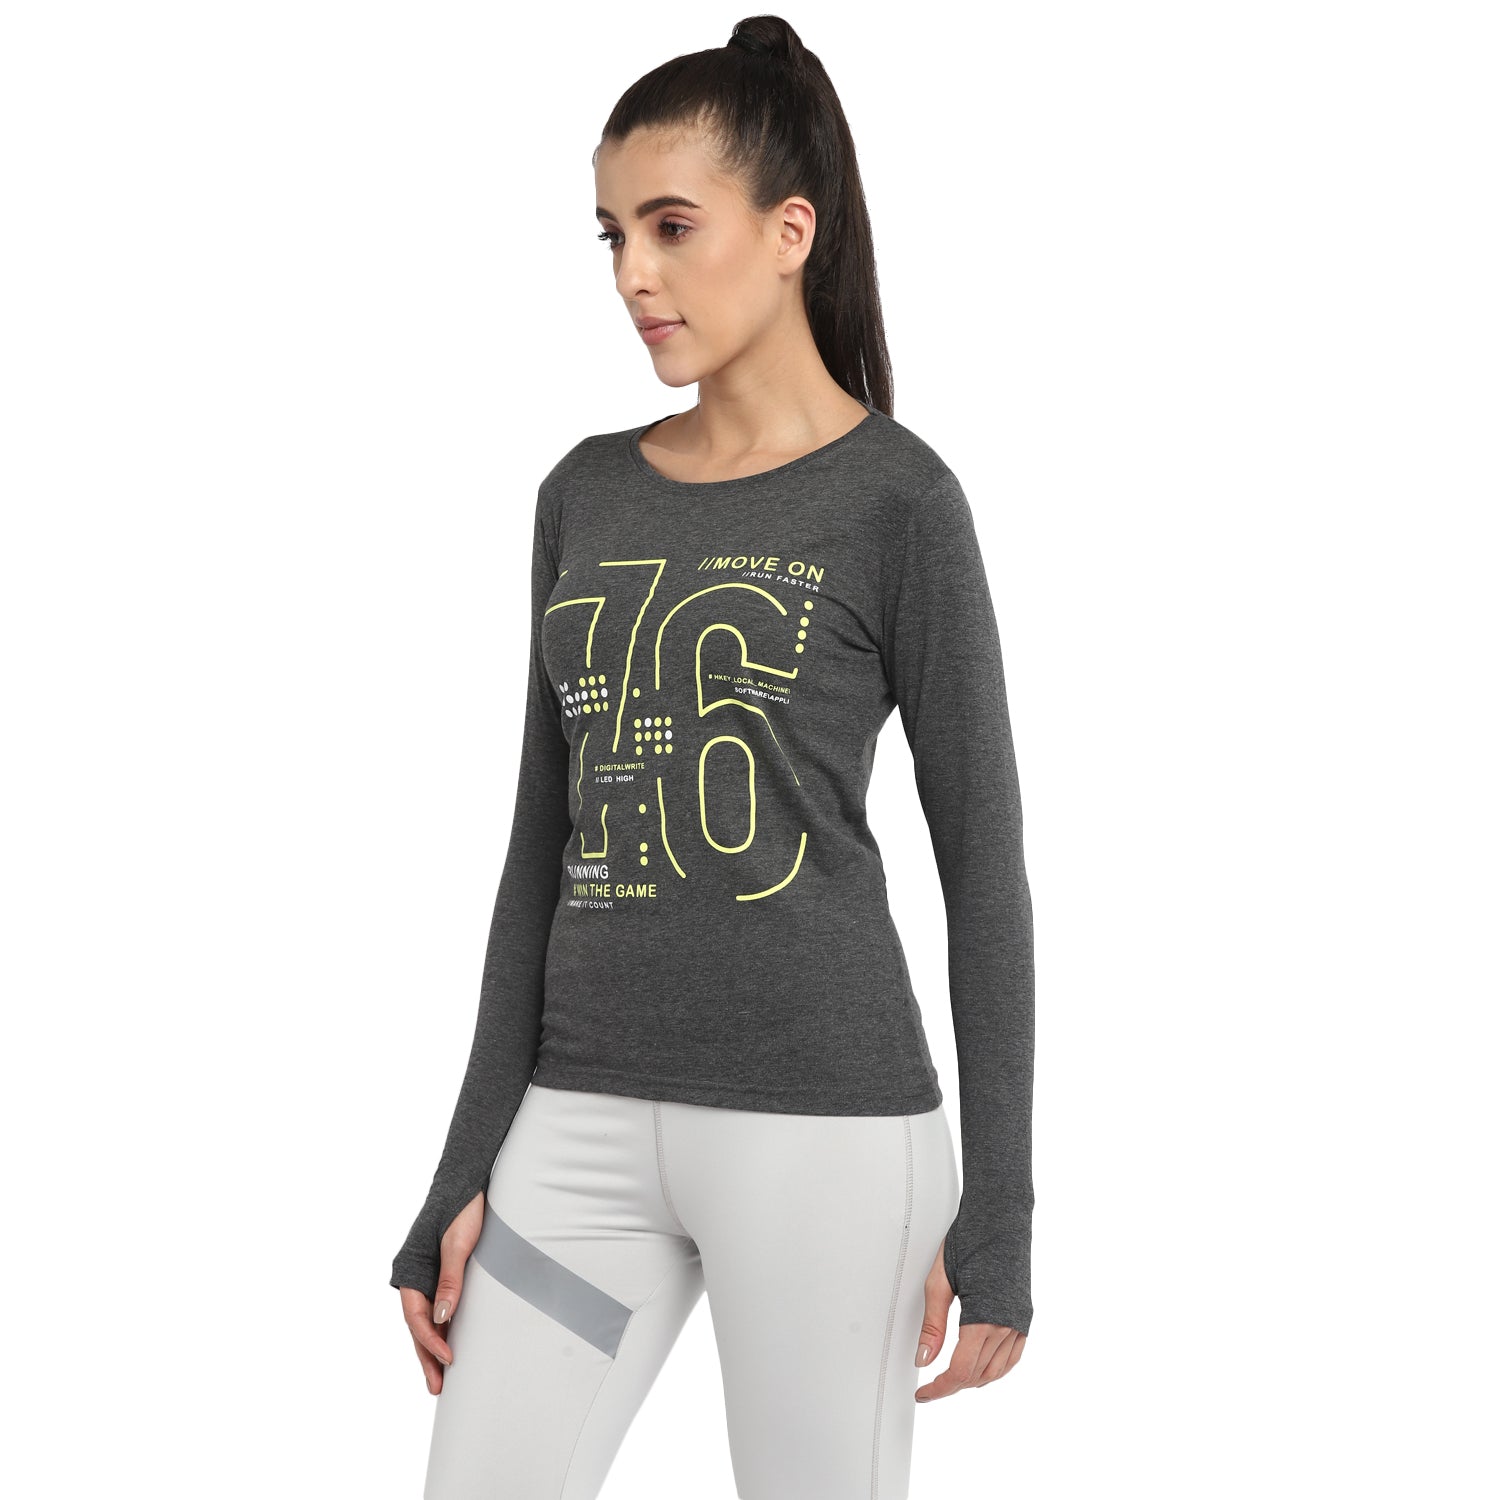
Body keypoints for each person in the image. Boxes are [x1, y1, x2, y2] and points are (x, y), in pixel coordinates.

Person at [391, 15, 1036, 1498]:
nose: (634, 273)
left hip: (822, 1144)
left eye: (673, 227)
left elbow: (984, 872)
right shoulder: (586, 493)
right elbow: (542, 843)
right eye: (612, 233)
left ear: (790, 232)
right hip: (579, 1137)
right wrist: (465, 1164)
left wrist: (999, 1211)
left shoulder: (898, 502)